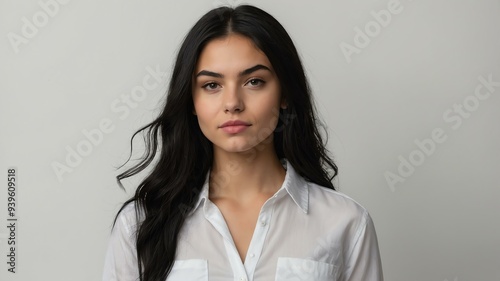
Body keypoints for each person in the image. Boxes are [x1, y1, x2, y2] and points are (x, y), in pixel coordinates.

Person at [102, 4, 383, 281]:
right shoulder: (139, 225)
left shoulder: (346, 222)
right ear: (192, 101)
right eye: (212, 85)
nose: (233, 103)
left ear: (284, 94)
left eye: (254, 81)